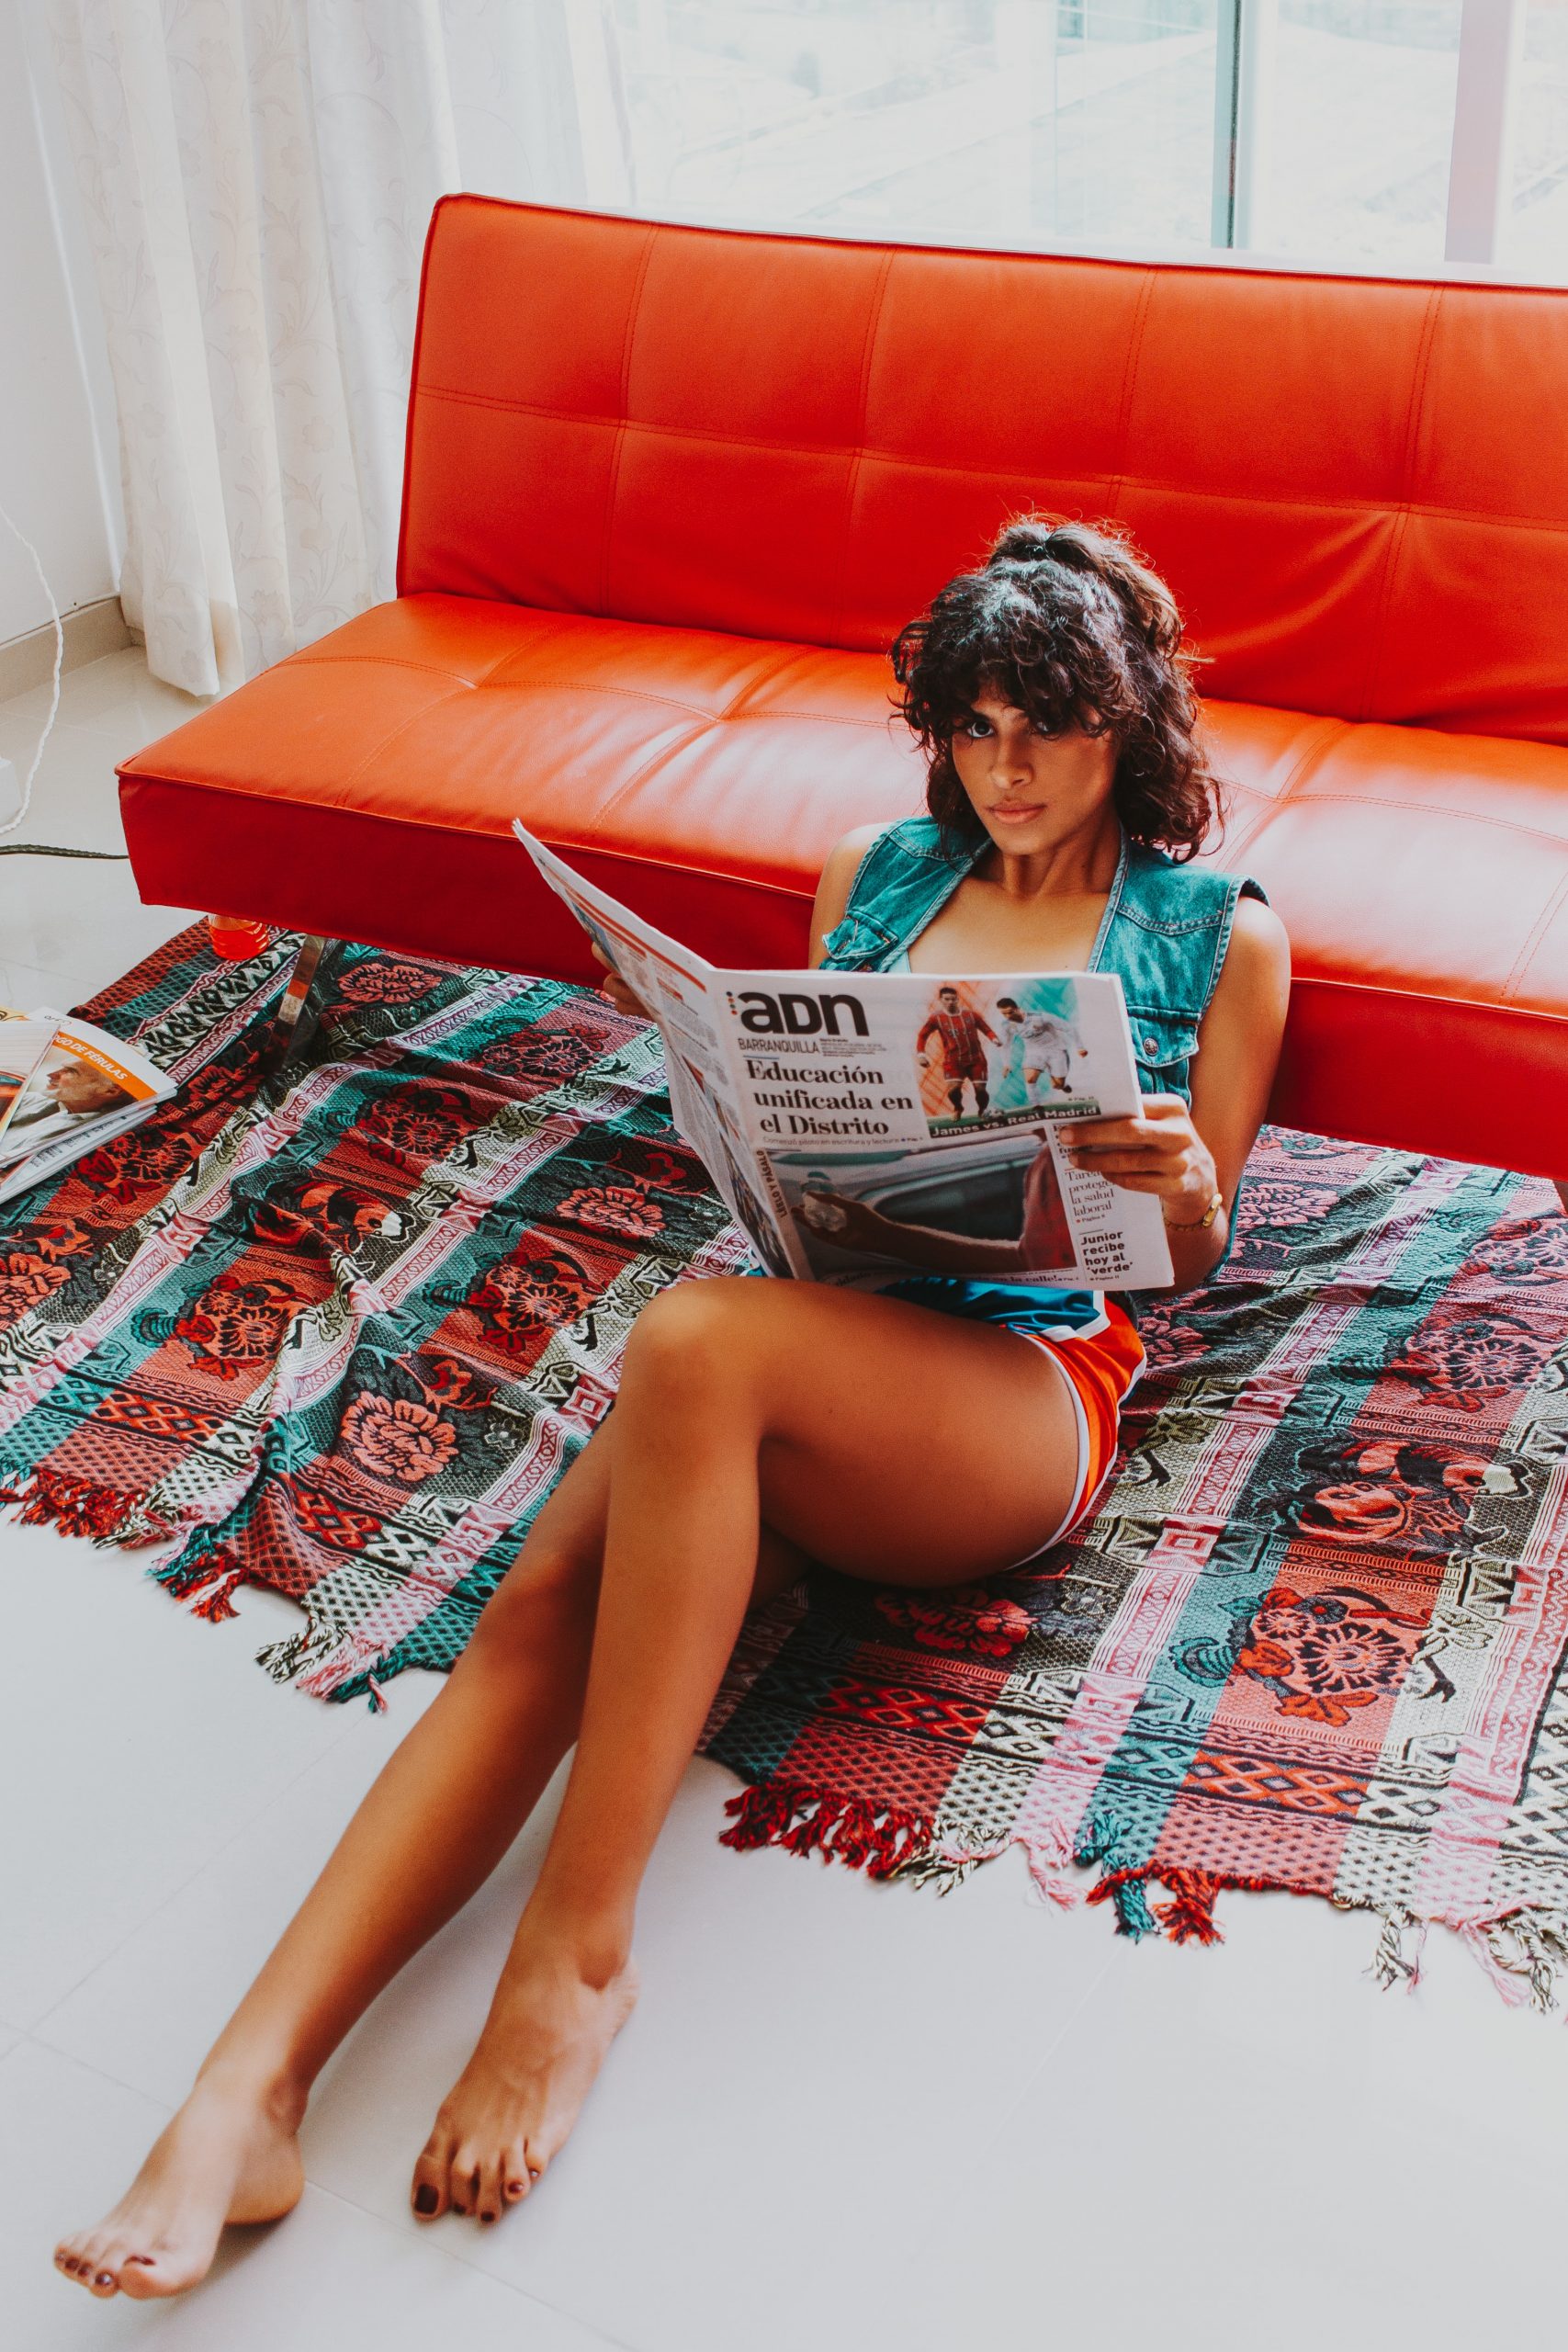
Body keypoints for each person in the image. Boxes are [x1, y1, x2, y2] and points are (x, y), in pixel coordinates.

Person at [53, 514, 1289, 2303]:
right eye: (972, 726)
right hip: (814, 1334)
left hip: (1019, 1393)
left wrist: (1162, 1171)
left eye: (1050, 726)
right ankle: (239, 2092)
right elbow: (798, 1134)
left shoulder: (1210, 938)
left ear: (1131, 726)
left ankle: (574, 1952)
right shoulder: (874, 869)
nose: (1006, 770)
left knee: (696, 1341)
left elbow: (1178, 1261)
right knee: (542, 1602)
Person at [915, 984, 1001, 1118]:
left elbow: (986, 1029)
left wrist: (994, 1039)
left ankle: (982, 1110)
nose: (950, 1002)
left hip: (976, 1059)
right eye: (947, 999)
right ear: (940, 1000)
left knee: (980, 1090)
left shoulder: (971, 1015)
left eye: (953, 999)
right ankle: (958, 1107)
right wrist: (921, 1054)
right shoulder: (936, 1018)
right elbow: (922, 1035)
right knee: (953, 1090)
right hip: (953, 1061)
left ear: (957, 999)